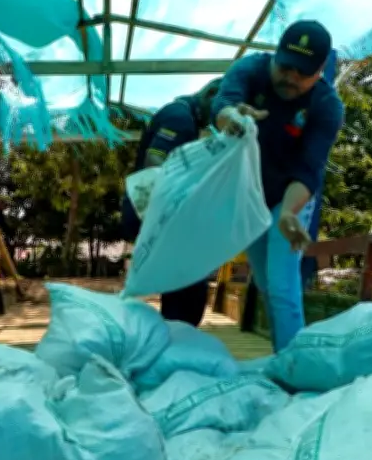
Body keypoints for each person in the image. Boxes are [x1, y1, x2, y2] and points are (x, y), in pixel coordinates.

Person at [212, 20, 344, 352]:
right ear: (275, 56)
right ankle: (281, 354)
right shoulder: (251, 70)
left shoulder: (326, 106)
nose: (291, 78)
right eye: (285, 67)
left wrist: (287, 213)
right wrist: (233, 118)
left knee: (284, 284)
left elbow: (309, 169)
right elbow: (223, 104)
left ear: (319, 72)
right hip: (248, 195)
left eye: (303, 73)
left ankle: (293, 371)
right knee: (267, 284)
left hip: (289, 197)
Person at [122, 78, 222, 327]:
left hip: (159, 215)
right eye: (219, 110)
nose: (217, 120)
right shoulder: (180, 119)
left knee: (182, 282)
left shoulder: (180, 114)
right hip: (160, 215)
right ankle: (179, 337)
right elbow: (154, 163)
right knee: (188, 285)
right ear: (210, 94)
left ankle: (175, 337)